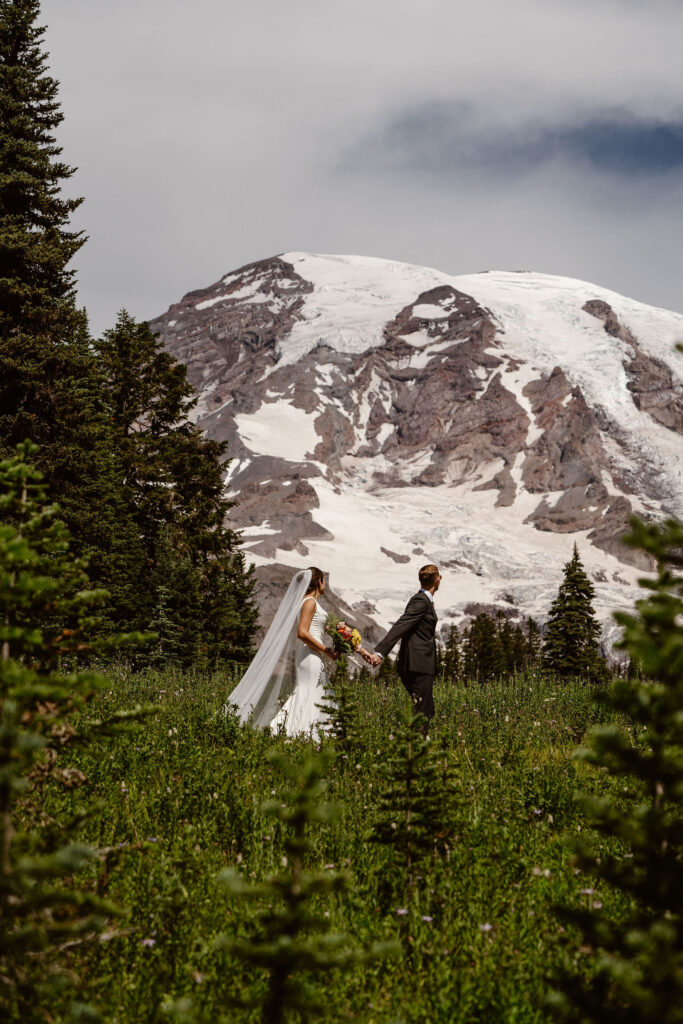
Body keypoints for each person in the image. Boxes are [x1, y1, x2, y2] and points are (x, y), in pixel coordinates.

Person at [226, 567, 373, 738]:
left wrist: (361, 650)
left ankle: (313, 734)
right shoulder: (309, 602)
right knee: (307, 691)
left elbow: (331, 630)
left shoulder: (310, 603)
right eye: (324, 580)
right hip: (310, 656)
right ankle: (286, 732)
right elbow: (302, 632)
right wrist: (326, 650)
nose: (325, 584)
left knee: (317, 692)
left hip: (312, 655)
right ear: (319, 582)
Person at [368, 564, 441, 733]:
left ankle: (418, 746)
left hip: (419, 663)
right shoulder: (421, 601)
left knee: (427, 709)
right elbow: (401, 625)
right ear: (437, 580)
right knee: (423, 711)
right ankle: (416, 751)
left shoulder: (422, 600)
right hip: (419, 664)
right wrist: (381, 652)